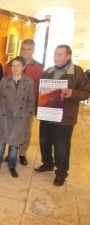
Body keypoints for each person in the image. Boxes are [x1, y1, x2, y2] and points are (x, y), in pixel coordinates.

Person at [35, 45, 90, 186]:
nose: (56, 57)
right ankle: (47, 164)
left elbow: (87, 91)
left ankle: (61, 173)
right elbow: (41, 92)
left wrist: (73, 93)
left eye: (60, 54)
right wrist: (38, 109)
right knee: (44, 142)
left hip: (64, 118)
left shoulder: (76, 72)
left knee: (61, 146)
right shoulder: (49, 71)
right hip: (47, 114)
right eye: (55, 54)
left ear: (68, 56)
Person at [0, 56, 35, 178]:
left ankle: (12, 166)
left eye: (18, 65)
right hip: (5, 116)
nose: (15, 68)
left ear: (23, 67)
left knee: (14, 146)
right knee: (1, 144)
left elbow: (31, 101)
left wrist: (26, 113)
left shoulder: (29, 82)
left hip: (19, 118)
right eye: (13, 65)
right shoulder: (4, 80)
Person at [4, 39, 43, 165]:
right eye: (23, 49)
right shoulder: (10, 65)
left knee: (26, 130)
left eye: (29, 49)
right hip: (12, 105)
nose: (25, 52)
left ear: (34, 50)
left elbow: (40, 88)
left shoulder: (39, 68)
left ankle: (22, 153)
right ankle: (12, 152)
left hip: (28, 106)